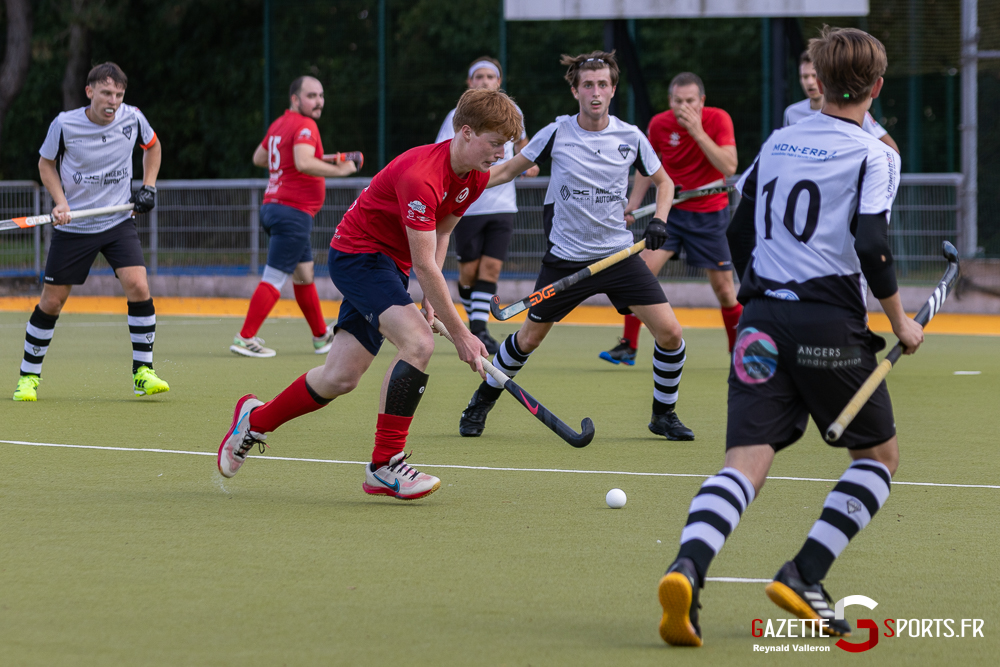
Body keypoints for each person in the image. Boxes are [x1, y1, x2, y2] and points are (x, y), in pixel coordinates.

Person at [657, 27, 924, 647]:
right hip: (827, 322)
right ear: (877, 87)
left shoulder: (778, 141)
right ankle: (804, 573)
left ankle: (687, 568)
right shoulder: (876, 154)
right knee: (877, 458)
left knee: (743, 464)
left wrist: (762, 292)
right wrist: (899, 321)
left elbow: (740, 230)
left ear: (819, 83)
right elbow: (872, 245)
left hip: (759, 321)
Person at [217, 88, 522, 500]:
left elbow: (442, 233)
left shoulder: (476, 176)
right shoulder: (421, 176)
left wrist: (431, 299)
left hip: (390, 264)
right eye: (495, 143)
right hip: (358, 256)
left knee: (340, 377)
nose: (501, 153)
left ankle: (254, 421)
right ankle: (385, 465)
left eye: (505, 145)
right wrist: (462, 333)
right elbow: (424, 264)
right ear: (466, 132)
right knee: (419, 342)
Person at [458, 51, 695, 442]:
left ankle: (663, 415)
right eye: (588, 85)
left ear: (613, 89)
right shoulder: (556, 132)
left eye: (602, 84)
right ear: (575, 91)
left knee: (670, 333)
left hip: (618, 256)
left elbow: (664, 182)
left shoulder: (631, 136)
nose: (595, 92)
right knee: (527, 339)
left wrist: (660, 220)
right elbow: (506, 170)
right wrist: (457, 182)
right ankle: (480, 402)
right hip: (566, 259)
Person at [13, 62, 168, 402]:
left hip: (117, 221)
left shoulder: (133, 118)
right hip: (75, 226)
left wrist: (149, 187)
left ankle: (143, 372)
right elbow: (45, 165)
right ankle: (28, 377)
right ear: (89, 92)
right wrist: (60, 202)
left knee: (138, 285)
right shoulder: (64, 124)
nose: (113, 101)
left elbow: (153, 147)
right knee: (52, 302)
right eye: (106, 93)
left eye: (119, 94)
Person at [600, 72, 742, 365]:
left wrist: (697, 132)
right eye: (678, 101)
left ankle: (738, 352)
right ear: (670, 100)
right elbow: (647, 168)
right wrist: (633, 204)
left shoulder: (719, 119)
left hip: (709, 215)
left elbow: (729, 166)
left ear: (702, 100)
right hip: (671, 214)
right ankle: (628, 346)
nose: (684, 107)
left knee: (726, 291)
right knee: (639, 275)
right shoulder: (659, 124)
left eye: (690, 101)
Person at [231, 76, 361, 358]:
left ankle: (320, 337)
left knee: (304, 275)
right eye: (311, 96)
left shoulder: (279, 124)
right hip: (292, 212)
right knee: (275, 277)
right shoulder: (305, 125)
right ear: (295, 99)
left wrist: (312, 159)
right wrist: (339, 170)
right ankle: (245, 337)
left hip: (274, 207)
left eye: (321, 95)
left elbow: (260, 158)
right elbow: (302, 162)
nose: (319, 101)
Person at [435, 56, 539, 354]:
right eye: (478, 77)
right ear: (470, 83)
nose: (484, 81)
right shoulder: (456, 115)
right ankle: (475, 320)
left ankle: (479, 328)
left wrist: (529, 164)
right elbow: (445, 152)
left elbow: (522, 145)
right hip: (467, 204)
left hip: (503, 203)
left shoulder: (513, 112)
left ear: (499, 82)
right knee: (468, 272)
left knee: (491, 268)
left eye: (490, 76)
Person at [785, 50, 900, 152]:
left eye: (814, 75)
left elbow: (892, 149)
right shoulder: (791, 113)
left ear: (824, 78)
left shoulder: (851, 110)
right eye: (805, 76)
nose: (810, 82)